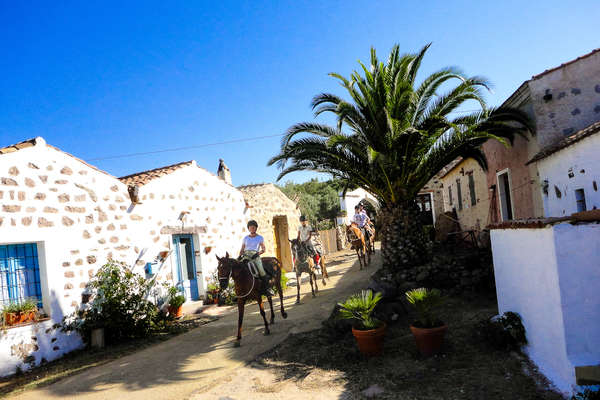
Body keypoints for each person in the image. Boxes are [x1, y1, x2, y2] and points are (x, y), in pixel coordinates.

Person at [239, 220, 273, 296]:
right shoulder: (245, 238)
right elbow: (242, 249)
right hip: (246, 255)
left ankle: (267, 289)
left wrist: (257, 254)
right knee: (238, 269)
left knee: (261, 271)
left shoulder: (260, 237)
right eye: (250, 227)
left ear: (256, 228)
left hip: (255, 256)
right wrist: (239, 255)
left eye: (253, 227)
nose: (252, 229)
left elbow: (264, 249)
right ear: (248, 228)